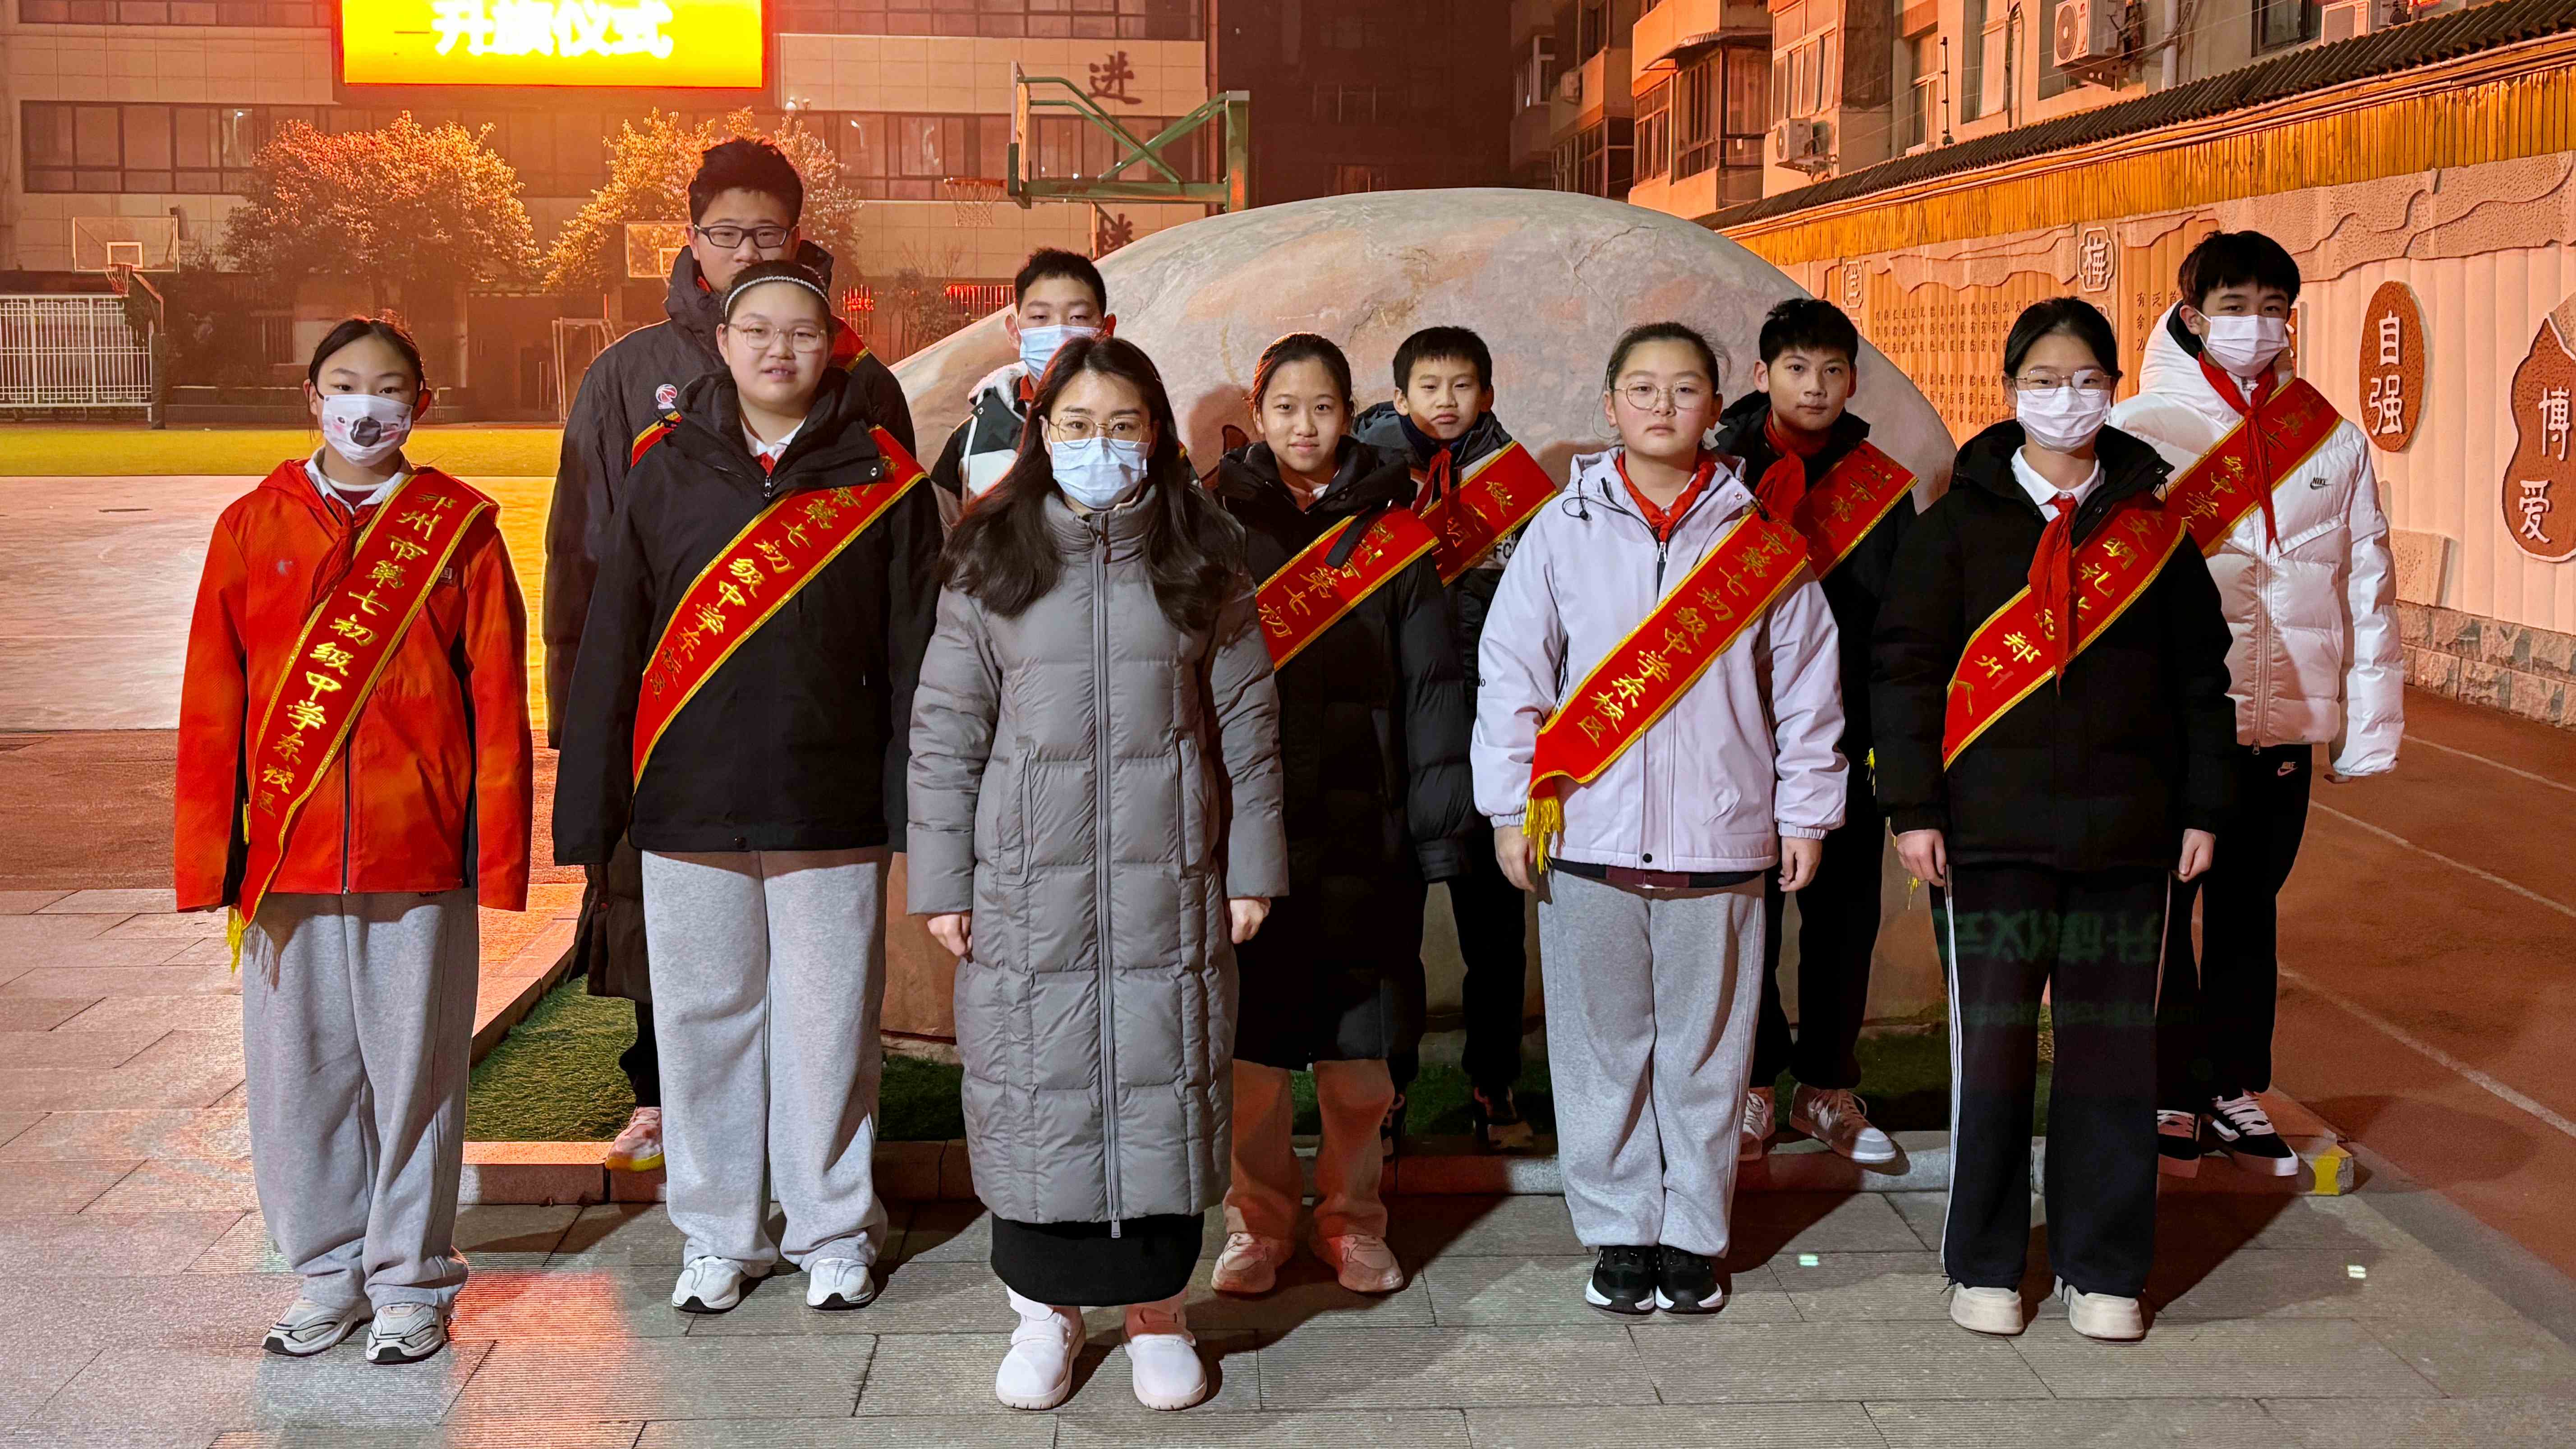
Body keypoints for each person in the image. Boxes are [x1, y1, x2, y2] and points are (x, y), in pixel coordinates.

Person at [553, 261, 942, 1319]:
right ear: (722, 345)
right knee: (702, 1020)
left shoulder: (884, 479)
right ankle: (719, 1234)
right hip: (688, 800)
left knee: (829, 1023)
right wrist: (593, 806)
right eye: (757, 330)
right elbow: (613, 641)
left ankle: (832, 1230)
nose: (780, 349)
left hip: (831, 801)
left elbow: (917, 657)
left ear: (834, 345)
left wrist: (918, 813)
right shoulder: (664, 469)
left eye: (802, 332)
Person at [909, 334, 1287, 1413]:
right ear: (1043, 433)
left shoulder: (1203, 556)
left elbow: (1251, 726)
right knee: (1036, 1087)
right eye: (1076, 425)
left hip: (1169, 879)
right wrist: (943, 880)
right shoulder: (994, 556)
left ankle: (1160, 1314)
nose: (1100, 445)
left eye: (1123, 425)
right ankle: (1046, 1315)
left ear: (1156, 434)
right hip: (1030, 884)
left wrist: (1251, 867)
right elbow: (945, 731)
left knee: (1166, 1080)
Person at [1873, 297, 2236, 1343]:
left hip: (2130, 842)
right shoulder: (1956, 526)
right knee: (1989, 1062)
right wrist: (1913, 807)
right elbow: (1905, 673)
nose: (2065, 398)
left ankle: (2102, 1265)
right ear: (2010, 391)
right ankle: (1985, 1262)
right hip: (1989, 842)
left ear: (2113, 389)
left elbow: (2201, 681)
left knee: (2112, 1063)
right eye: (2043, 379)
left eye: (2085, 380)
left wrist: (2205, 805)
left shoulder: (2155, 533)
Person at [176, 318, 532, 1365]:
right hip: (284, 861)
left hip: (418, 851)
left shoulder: (460, 530)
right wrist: (210, 858)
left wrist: (497, 856)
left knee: (416, 1075)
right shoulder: (251, 525)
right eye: (344, 384)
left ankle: (411, 1281)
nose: (364, 405)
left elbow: (498, 703)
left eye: (387, 387)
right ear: (311, 396)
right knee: (300, 1079)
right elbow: (213, 699)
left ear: (422, 403)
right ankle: (327, 1274)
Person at [1474, 322, 1845, 1317]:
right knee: (1600, 1051)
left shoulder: (1758, 542)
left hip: (1720, 837)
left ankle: (1692, 1234)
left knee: (1706, 1054)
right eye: (1641, 388)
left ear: (1714, 408)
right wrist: (1510, 808)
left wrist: (1806, 813)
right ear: (1610, 406)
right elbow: (1511, 675)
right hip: (1585, 836)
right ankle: (1619, 1229)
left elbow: (1807, 690)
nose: (1662, 406)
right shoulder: (1560, 531)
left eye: (1684, 389)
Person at [2109, 231, 2401, 1178]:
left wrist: (2367, 726)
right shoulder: (2140, 430)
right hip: (2176, 724)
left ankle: (2233, 1082)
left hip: (2283, 723)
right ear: (2193, 316)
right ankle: (2167, 1081)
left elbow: (2369, 586)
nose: (2258, 325)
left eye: (2275, 307)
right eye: (2236, 307)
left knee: (2249, 907)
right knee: (2165, 907)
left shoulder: (2331, 437)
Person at [1205, 333, 1475, 1299]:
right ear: (1258, 411)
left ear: (1349, 412)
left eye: (1322, 407)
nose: (1304, 426)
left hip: (1370, 829)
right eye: (1285, 408)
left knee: (1361, 1057)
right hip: (1251, 834)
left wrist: (1438, 828)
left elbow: (1433, 688)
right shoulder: (1216, 525)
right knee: (1253, 1058)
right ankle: (1257, 1224)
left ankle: (1355, 1220)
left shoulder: (1395, 533)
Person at [1711, 299, 1917, 1167]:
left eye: (1833, 370)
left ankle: (1826, 1086)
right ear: (1762, 375)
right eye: (1797, 368)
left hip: (1844, 738)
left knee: (1843, 918)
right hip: (1736, 733)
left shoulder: (1882, 486)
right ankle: (1754, 1084)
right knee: (1744, 918)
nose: (1816, 386)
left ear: (1852, 380)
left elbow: (1902, 627)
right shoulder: (1716, 471)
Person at [1353, 325, 1557, 1154]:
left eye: (1462, 385)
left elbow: (1542, 611)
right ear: (1399, 396)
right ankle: (1387, 1090)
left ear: (1489, 394)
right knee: (1387, 933)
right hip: (1392, 737)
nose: (1446, 401)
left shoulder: (1520, 488)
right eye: (1429, 387)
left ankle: (1493, 1081)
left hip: (1483, 733)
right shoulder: (1362, 482)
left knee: (1495, 932)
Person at [928, 247, 1114, 524]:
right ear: (1015, 333)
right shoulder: (970, 441)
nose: (1060, 331)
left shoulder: (1137, 430)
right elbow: (944, 539)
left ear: (1106, 329)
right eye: (1040, 317)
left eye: (1078, 317)